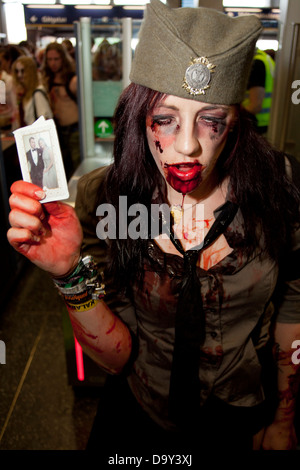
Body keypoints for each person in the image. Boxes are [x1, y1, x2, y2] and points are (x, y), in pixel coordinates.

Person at [7, 0, 300, 453]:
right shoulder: (109, 201)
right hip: (139, 415)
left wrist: (283, 419)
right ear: (138, 117)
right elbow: (117, 357)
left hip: (240, 413)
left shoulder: (281, 189)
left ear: (237, 123)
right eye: (165, 119)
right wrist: (68, 272)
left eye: (211, 121)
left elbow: (293, 307)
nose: (187, 147)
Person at [41, 42, 80, 179]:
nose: (53, 63)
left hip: (75, 130)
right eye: (50, 59)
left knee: (77, 168)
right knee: (63, 168)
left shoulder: (72, 79)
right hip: (57, 131)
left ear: (63, 58)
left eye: (56, 59)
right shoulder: (47, 79)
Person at [11, 56, 53, 127]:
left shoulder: (37, 93)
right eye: (17, 71)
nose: (19, 75)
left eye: (22, 71)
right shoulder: (25, 93)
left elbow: (45, 120)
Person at [242, 48, 275, 135]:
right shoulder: (266, 59)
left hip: (255, 121)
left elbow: (255, 106)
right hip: (267, 121)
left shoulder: (257, 63)